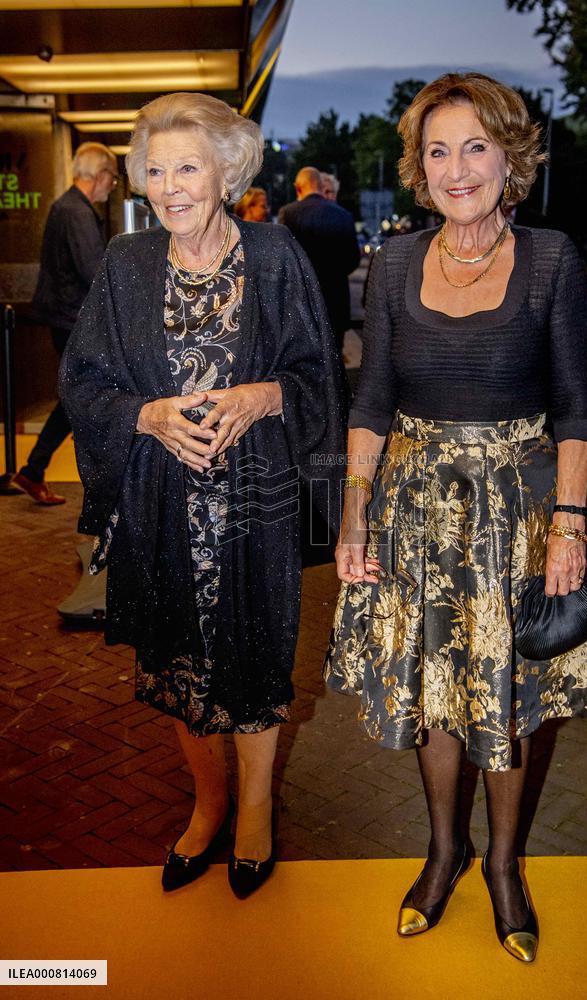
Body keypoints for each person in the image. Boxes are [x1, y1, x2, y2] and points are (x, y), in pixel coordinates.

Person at [324, 72, 587, 963]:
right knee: (433, 699)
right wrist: (354, 515)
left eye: (475, 146)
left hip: (521, 513)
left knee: (510, 695)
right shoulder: (392, 264)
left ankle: (504, 866)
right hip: (416, 514)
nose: (457, 167)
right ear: (419, 168)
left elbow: (580, 404)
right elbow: (372, 398)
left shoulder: (546, 257)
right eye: (437, 149)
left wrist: (571, 527)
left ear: (510, 155)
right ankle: (443, 852)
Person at [60, 92, 345, 899]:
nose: (170, 185)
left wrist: (261, 397)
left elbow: (319, 375)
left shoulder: (277, 256)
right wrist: (144, 414)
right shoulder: (127, 264)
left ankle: (254, 811)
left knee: (254, 659)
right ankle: (208, 802)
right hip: (159, 502)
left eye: (188, 166)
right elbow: (83, 381)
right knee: (181, 662)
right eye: (156, 170)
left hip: (255, 503)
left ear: (228, 172)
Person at [13, 142, 118, 505]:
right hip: (72, 319)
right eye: (113, 179)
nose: (112, 187)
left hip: (65, 317)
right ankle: (38, 469)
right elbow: (95, 270)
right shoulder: (77, 211)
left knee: (76, 395)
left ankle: (33, 470)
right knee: (81, 395)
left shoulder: (66, 205)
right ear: (101, 175)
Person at [279, 166, 360, 352]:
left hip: (300, 304)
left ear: (298, 188)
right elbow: (353, 259)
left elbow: (284, 261)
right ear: (319, 185)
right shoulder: (343, 215)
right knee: (336, 360)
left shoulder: (288, 214)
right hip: (336, 301)